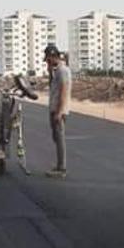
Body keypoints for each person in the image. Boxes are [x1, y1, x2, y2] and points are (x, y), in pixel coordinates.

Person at [44, 44, 71, 179]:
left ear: (53, 56)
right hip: (54, 108)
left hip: (59, 110)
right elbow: (53, 88)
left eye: (48, 60)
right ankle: (59, 165)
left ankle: (62, 168)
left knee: (59, 138)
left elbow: (64, 92)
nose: (47, 62)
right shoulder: (56, 71)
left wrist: (59, 112)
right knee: (56, 137)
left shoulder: (63, 71)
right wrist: (50, 72)